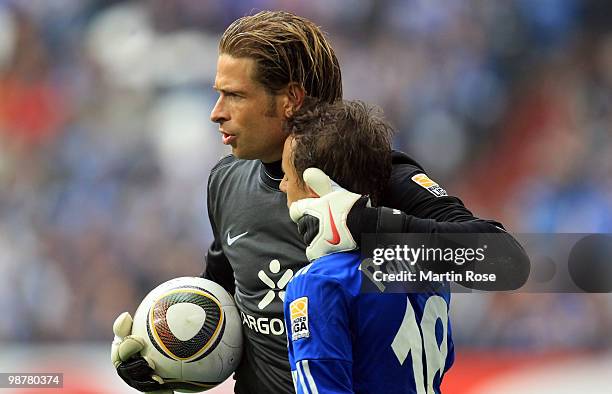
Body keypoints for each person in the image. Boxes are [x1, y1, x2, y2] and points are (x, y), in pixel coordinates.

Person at [111, 10, 529, 394]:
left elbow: (505, 262)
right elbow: (229, 308)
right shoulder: (226, 181)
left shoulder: (379, 174)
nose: (216, 112)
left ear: (290, 98)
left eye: (235, 95)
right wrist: (162, 354)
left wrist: (368, 224)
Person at [280, 99, 454, 393]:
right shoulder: (426, 268)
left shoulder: (320, 281)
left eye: (287, 175)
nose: (283, 185)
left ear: (313, 187)